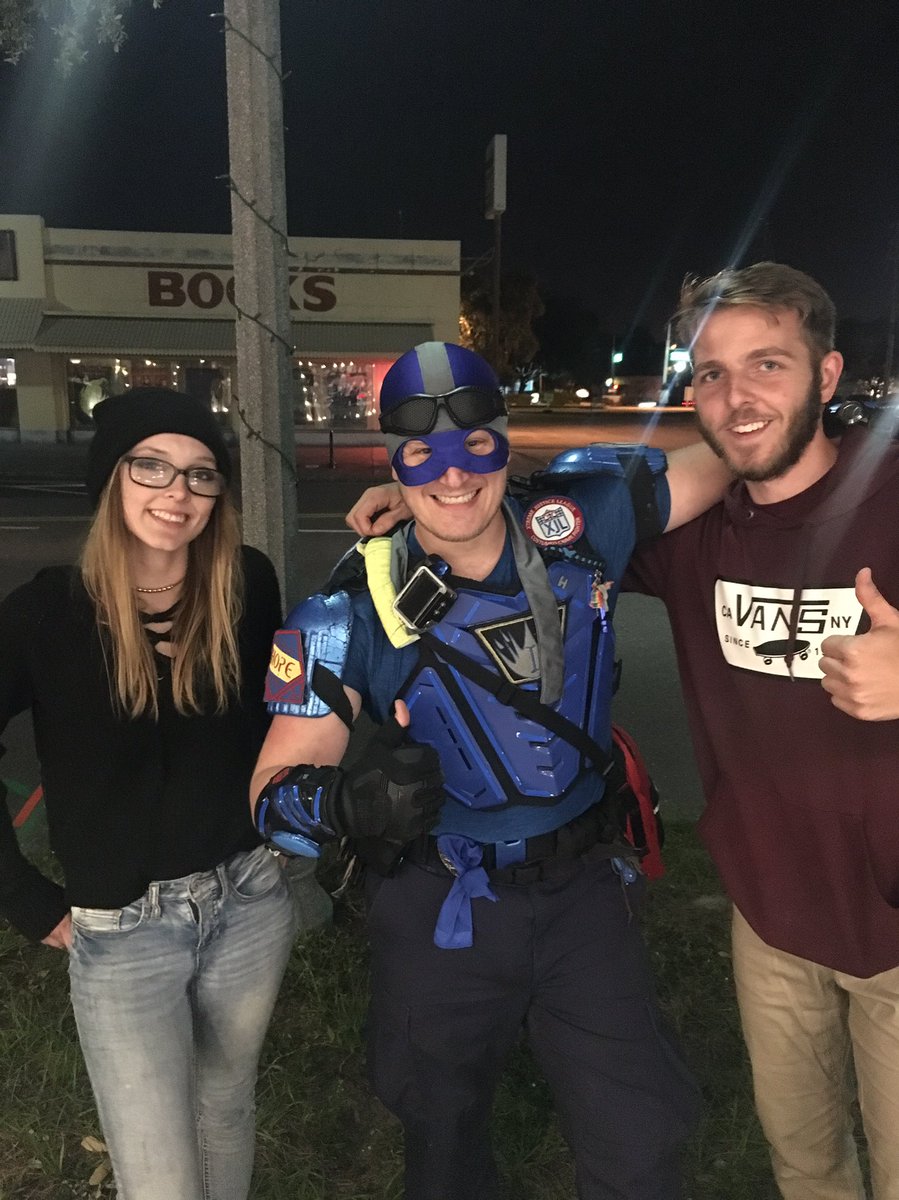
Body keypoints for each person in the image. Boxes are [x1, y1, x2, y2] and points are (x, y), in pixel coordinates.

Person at [251, 341, 729, 1200]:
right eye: (419, 453)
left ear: (506, 440)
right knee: (441, 1137)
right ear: (392, 460)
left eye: (476, 442)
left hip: (584, 890)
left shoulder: (582, 522)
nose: (452, 475)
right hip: (444, 908)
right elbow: (272, 795)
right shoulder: (351, 605)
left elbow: (729, 457)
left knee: (640, 1138)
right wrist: (349, 802)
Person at [621, 263, 899, 1200]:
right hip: (772, 923)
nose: (736, 397)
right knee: (807, 1167)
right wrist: (420, 514)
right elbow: (537, 533)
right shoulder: (689, 540)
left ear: (826, 377)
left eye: (767, 364)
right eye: (709, 372)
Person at [0, 388, 320, 1200]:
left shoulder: (246, 585)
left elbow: (284, 714)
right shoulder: (47, 615)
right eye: (153, 467)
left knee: (223, 1105)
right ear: (110, 478)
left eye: (201, 475)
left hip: (248, 900)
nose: (177, 494)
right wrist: (28, 901)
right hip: (123, 934)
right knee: (160, 1180)